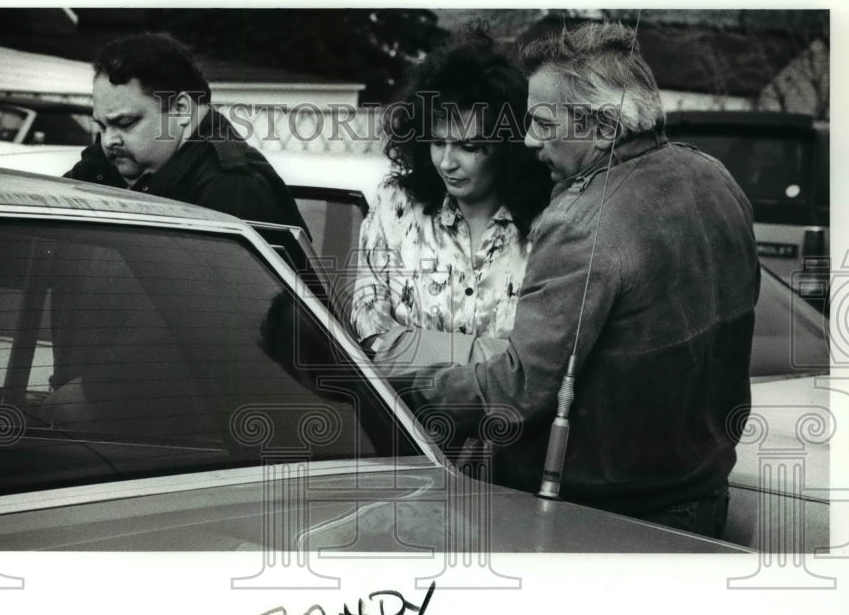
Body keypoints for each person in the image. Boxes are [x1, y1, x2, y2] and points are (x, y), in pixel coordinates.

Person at [393, 21, 761, 539]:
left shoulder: (580, 220)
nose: (528, 139)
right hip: (700, 493)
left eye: (544, 123)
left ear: (605, 129)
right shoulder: (713, 177)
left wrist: (401, 387)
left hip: (600, 517)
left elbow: (517, 393)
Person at [350, 32, 552, 371]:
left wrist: (416, 348)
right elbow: (369, 322)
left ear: (507, 147)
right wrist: (486, 355)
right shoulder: (395, 205)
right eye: (437, 141)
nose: (446, 162)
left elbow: (541, 356)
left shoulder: (547, 222)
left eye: (468, 147)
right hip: (405, 415)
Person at [65, 32, 307, 231]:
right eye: (102, 126)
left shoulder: (232, 186)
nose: (108, 141)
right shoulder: (114, 162)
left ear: (181, 109)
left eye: (126, 123)